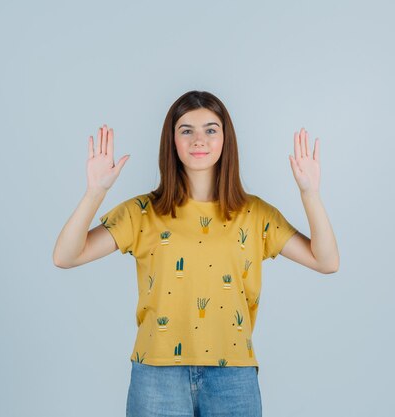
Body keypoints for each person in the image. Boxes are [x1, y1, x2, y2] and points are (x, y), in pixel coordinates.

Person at [53, 90, 339, 417]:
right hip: (157, 375)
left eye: (211, 129)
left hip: (232, 376)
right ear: (172, 141)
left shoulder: (256, 214)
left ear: (225, 140)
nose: (198, 139)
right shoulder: (142, 212)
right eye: (186, 130)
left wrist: (310, 194)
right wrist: (95, 192)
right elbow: (66, 255)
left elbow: (326, 261)